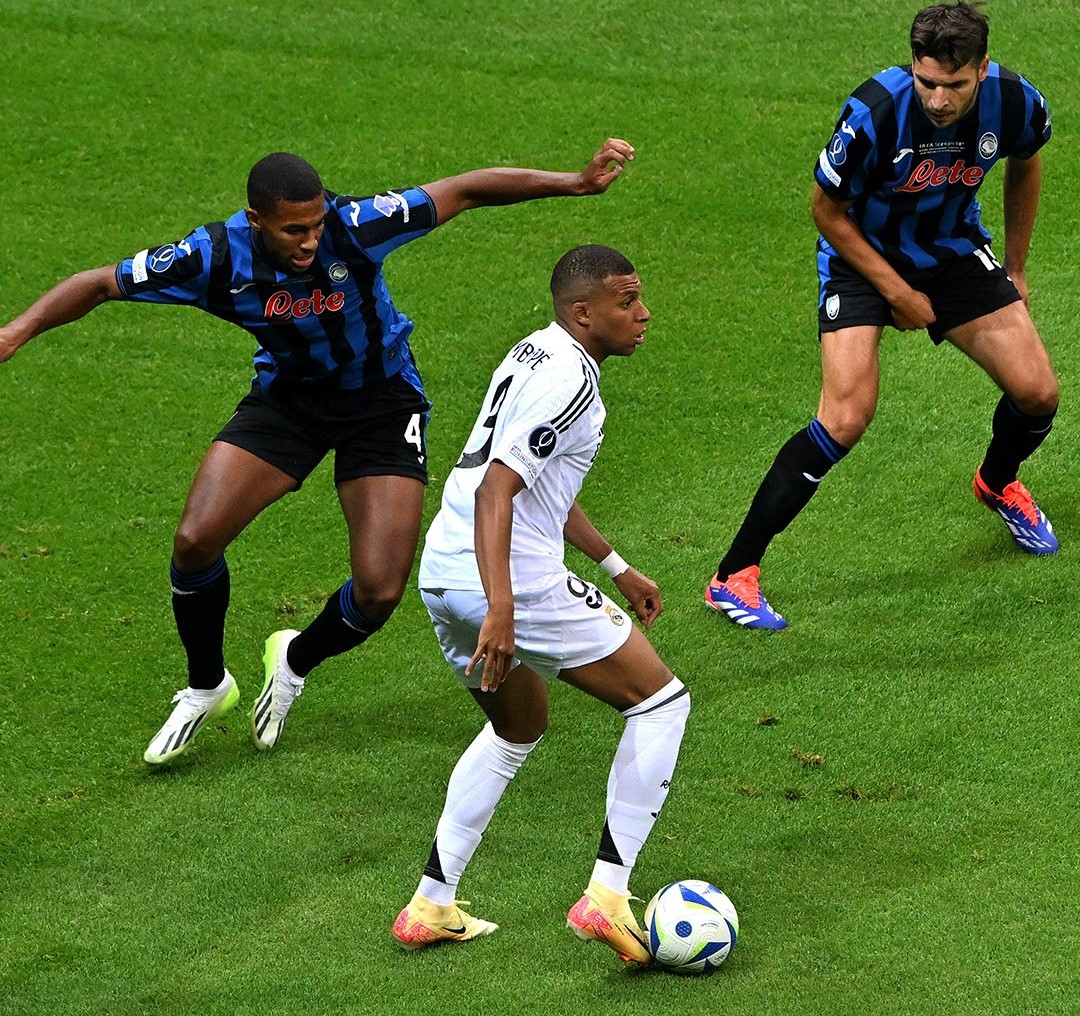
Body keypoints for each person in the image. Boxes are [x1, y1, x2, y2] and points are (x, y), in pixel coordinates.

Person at [0, 140, 636, 762]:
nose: (309, 242)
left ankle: (295, 659)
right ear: (256, 222)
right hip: (288, 403)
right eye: (293, 231)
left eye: (314, 226)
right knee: (195, 541)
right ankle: (207, 685)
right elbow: (99, 283)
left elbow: (465, 189)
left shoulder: (354, 225)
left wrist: (573, 183)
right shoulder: (211, 257)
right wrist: (17, 330)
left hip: (381, 404)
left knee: (381, 590)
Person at [704, 1, 1058, 630]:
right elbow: (825, 210)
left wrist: (1018, 267)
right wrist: (895, 292)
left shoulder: (1016, 100)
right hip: (859, 256)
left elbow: (1026, 164)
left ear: (980, 69)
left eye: (954, 85)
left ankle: (998, 481)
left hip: (950, 250)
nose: (940, 100)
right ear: (913, 67)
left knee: (1037, 393)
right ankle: (734, 575)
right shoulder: (874, 112)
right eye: (928, 82)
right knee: (845, 418)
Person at [391, 245, 688, 965]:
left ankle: (430, 904)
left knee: (517, 724)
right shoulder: (572, 383)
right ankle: (609, 896)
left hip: (445, 573)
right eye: (627, 302)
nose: (643, 313)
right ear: (583, 312)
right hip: (505, 581)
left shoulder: (534, 352)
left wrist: (615, 565)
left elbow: (542, 485)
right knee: (660, 702)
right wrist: (503, 607)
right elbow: (500, 489)